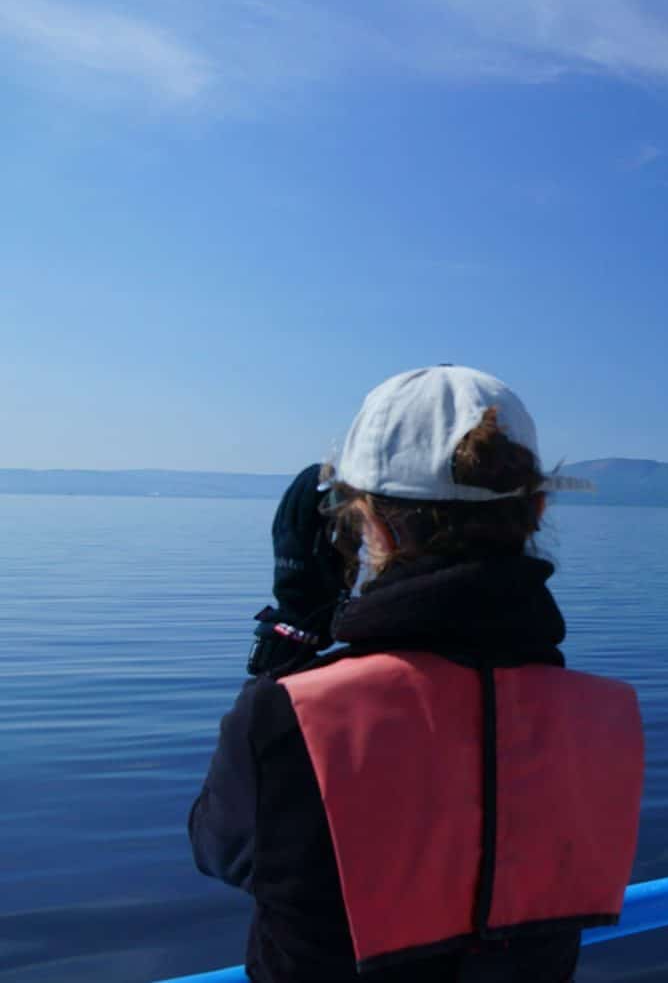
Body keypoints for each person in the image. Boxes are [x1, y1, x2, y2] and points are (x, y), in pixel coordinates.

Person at [189, 365, 644, 982]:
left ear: (365, 522)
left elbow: (220, 848)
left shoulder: (292, 716)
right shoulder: (607, 717)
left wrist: (294, 630)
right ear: (536, 510)